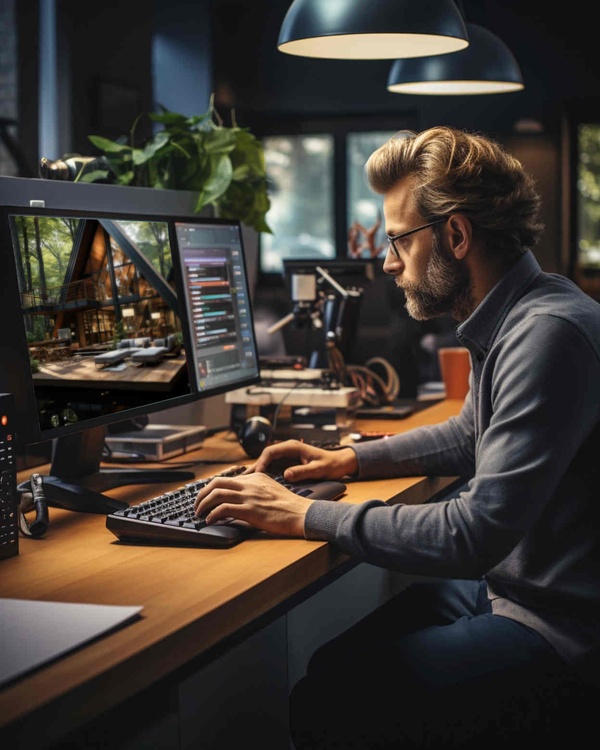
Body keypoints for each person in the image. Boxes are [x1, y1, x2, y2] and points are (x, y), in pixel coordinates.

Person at [194, 127, 600, 747]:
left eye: (398, 241)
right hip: (518, 590)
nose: (387, 262)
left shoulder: (547, 333)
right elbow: (471, 436)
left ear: (456, 236)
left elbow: (473, 532)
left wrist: (304, 515)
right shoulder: (525, 311)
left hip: (565, 628)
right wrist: (347, 458)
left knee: (329, 698)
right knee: (336, 665)